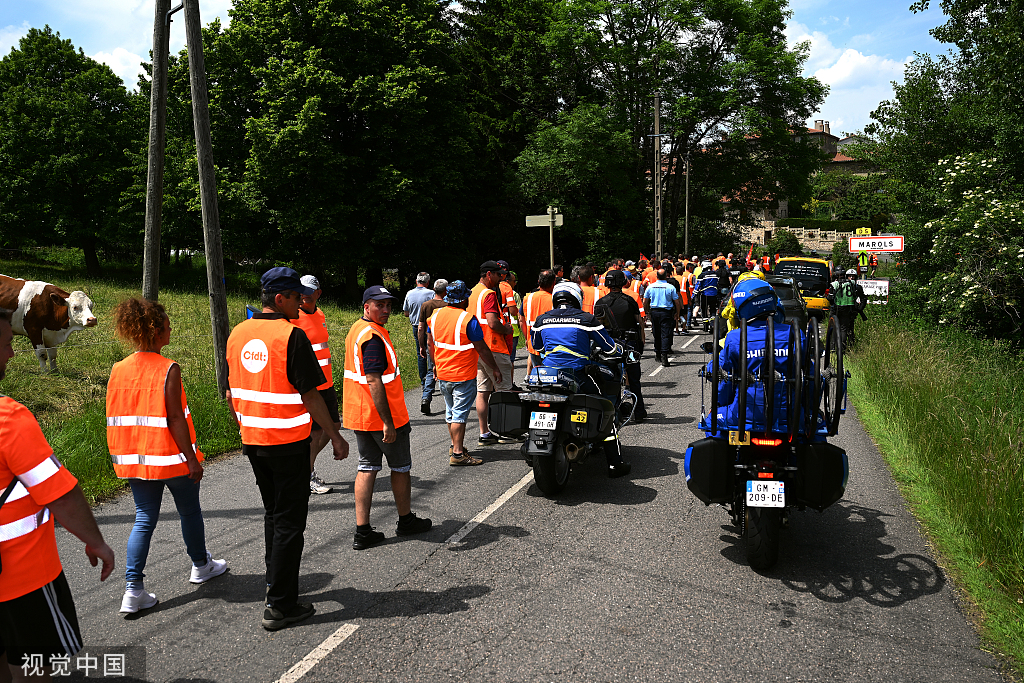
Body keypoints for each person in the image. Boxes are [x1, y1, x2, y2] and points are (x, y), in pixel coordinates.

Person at [226, 267, 350, 631]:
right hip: (287, 443)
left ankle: (274, 586)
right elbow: (310, 395)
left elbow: (233, 390)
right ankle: (280, 606)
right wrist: (336, 436)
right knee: (290, 524)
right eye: (296, 297)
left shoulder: (238, 333)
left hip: (254, 442)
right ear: (279, 299)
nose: (302, 302)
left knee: (274, 516)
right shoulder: (291, 336)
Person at [0, 308, 115, 679]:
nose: (12, 354)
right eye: (5, 344)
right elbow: (59, 492)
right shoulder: (9, 419)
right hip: (21, 575)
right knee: (36, 668)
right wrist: (95, 541)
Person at [107, 297, 228, 616]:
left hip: (135, 459)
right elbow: (175, 419)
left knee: (144, 517)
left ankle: (133, 589)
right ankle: (201, 566)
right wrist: (192, 459)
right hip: (170, 458)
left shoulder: (118, 370)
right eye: (168, 325)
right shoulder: (167, 369)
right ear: (157, 331)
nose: (171, 328)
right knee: (189, 511)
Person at [343, 285, 432, 551]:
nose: (385, 310)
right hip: (383, 418)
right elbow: (374, 379)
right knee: (401, 467)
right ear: (366, 306)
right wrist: (387, 422)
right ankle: (405, 521)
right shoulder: (372, 337)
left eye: (388, 306)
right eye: (379, 305)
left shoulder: (358, 329)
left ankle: (363, 530)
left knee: (367, 468)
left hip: (360, 415)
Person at [531, 283, 631, 478]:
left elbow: (537, 345)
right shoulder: (587, 319)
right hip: (577, 375)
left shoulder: (542, 319)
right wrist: (621, 351)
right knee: (605, 408)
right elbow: (609, 348)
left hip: (546, 376)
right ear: (576, 298)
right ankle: (615, 464)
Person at [706, 279, 802, 434]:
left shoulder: (735, 337)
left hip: (744, 416)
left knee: (711, 422)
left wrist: (720, 403)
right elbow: (811, 377)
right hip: (789, 417)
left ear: (742, 306)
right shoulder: (795, 334)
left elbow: (724, 378)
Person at [427, 281, 503, 466]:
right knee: (460, 414)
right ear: (463, 299)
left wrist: (435, 364)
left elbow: (430, 343)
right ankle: (458, 454)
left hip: (443, 372)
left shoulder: (435, 316)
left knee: (451, 412)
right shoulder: (468, 319)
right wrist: (494, 367)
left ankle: (455, 446)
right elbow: (482, 349)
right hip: (463, 374)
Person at [293, 275, 338, 495]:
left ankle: (303, 464)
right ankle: (307, 474)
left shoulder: (319, 314)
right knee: (316, 432)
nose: (304, 295)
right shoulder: (294, 317)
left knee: (333, 428)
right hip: (309, 387)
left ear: (318, 293)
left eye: (309, 291)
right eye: (301, 291)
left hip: (326, 383)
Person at [469, 261, 516, 447]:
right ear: (489, 274)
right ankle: (505, 432)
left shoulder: (472, 292)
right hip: (493, 347)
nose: (500, 278)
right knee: (504, 391)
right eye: (498, 275)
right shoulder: (488, 294)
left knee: (483, 392)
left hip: (478, 349)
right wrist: (506, 329)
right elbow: (492, 322)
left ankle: (485, 433)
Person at [595, 270, 647, 422]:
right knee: (634, 379)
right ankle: (638, 412)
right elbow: (640, 323)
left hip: (610, 347)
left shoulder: (600, 303)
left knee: (612, 378)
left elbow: (598, 327)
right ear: (622, 282)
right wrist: (641, 342)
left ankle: (614, 412)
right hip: (630, 345)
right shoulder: (630, 300)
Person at [416, 279, 448, 415]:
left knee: (430, 370)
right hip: (447, 342)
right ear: (446, 291)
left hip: (431, 342)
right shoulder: (449, 305)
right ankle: (451, 401)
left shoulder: (426, 305)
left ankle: (425, 398)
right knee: (446, 371)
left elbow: (421, 328)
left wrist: (421, 346)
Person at [522, 269, 555, 381]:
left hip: (533, 342)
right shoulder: (554, 299)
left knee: (537, 373)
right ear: (554, 282)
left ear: (538, 282)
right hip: (549, 344)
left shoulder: (528, 298)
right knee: (550, 375)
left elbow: (521, 318)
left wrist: (526, 337)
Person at [402, 272, 435, 385]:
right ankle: (432, 377)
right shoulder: (431, 293)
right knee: (431, 350)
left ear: (416, 281)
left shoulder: (409, 293)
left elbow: (406, 313)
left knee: (420, 352)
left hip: (416, 326)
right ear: (428, 282)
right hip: (430, 326)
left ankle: (423, 380)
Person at [643, 268, 680, 366]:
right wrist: (677, 313)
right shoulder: (670, 287)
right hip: (666, 313)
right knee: (666, 334)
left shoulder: (651, 287)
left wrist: (646, 312)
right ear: (666, 276)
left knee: (656, 333)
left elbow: (645, 301)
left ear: (657, 276)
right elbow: (677, 302)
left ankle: (657, 353)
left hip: (654, 312)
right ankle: (664, 355)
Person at [830, 268, 866, 350]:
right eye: (849, 276)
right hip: (843, 309)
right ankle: (835, 347)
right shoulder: (843, 285)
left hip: (849, 311)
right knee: (838, 328)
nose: (851, 278)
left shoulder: (857, 287)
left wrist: (859, 309)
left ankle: (847, 347)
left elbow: (863, 299)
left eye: (853, 276)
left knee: (849, 330)